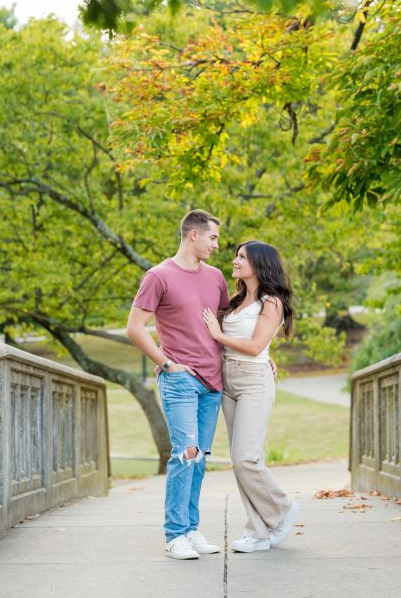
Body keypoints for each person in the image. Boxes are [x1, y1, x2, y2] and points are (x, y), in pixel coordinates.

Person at [127, 209, 231, 560]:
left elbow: (225, 327)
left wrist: (262, 356)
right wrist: (166, 364)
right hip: (180, 381)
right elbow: (135, 328)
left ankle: (191, 529)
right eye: (213, 237)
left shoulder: (216, 278)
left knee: (199, 459)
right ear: (194, 235)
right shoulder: (158, 276)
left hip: (212, 382)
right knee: (185, 456)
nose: (217, 245)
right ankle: (174, 536)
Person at [202, 240, 300, 553]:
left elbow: (257, 345)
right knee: (238, 461)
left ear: (259, 264)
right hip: (228, 378)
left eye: (242, 257)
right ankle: (258, 532)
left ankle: (281, 509)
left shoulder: (271, 302)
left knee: (247, 458)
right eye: (236, 255)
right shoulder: (236, 301)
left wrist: (219, 335)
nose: (235, 260)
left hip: (254, 381)